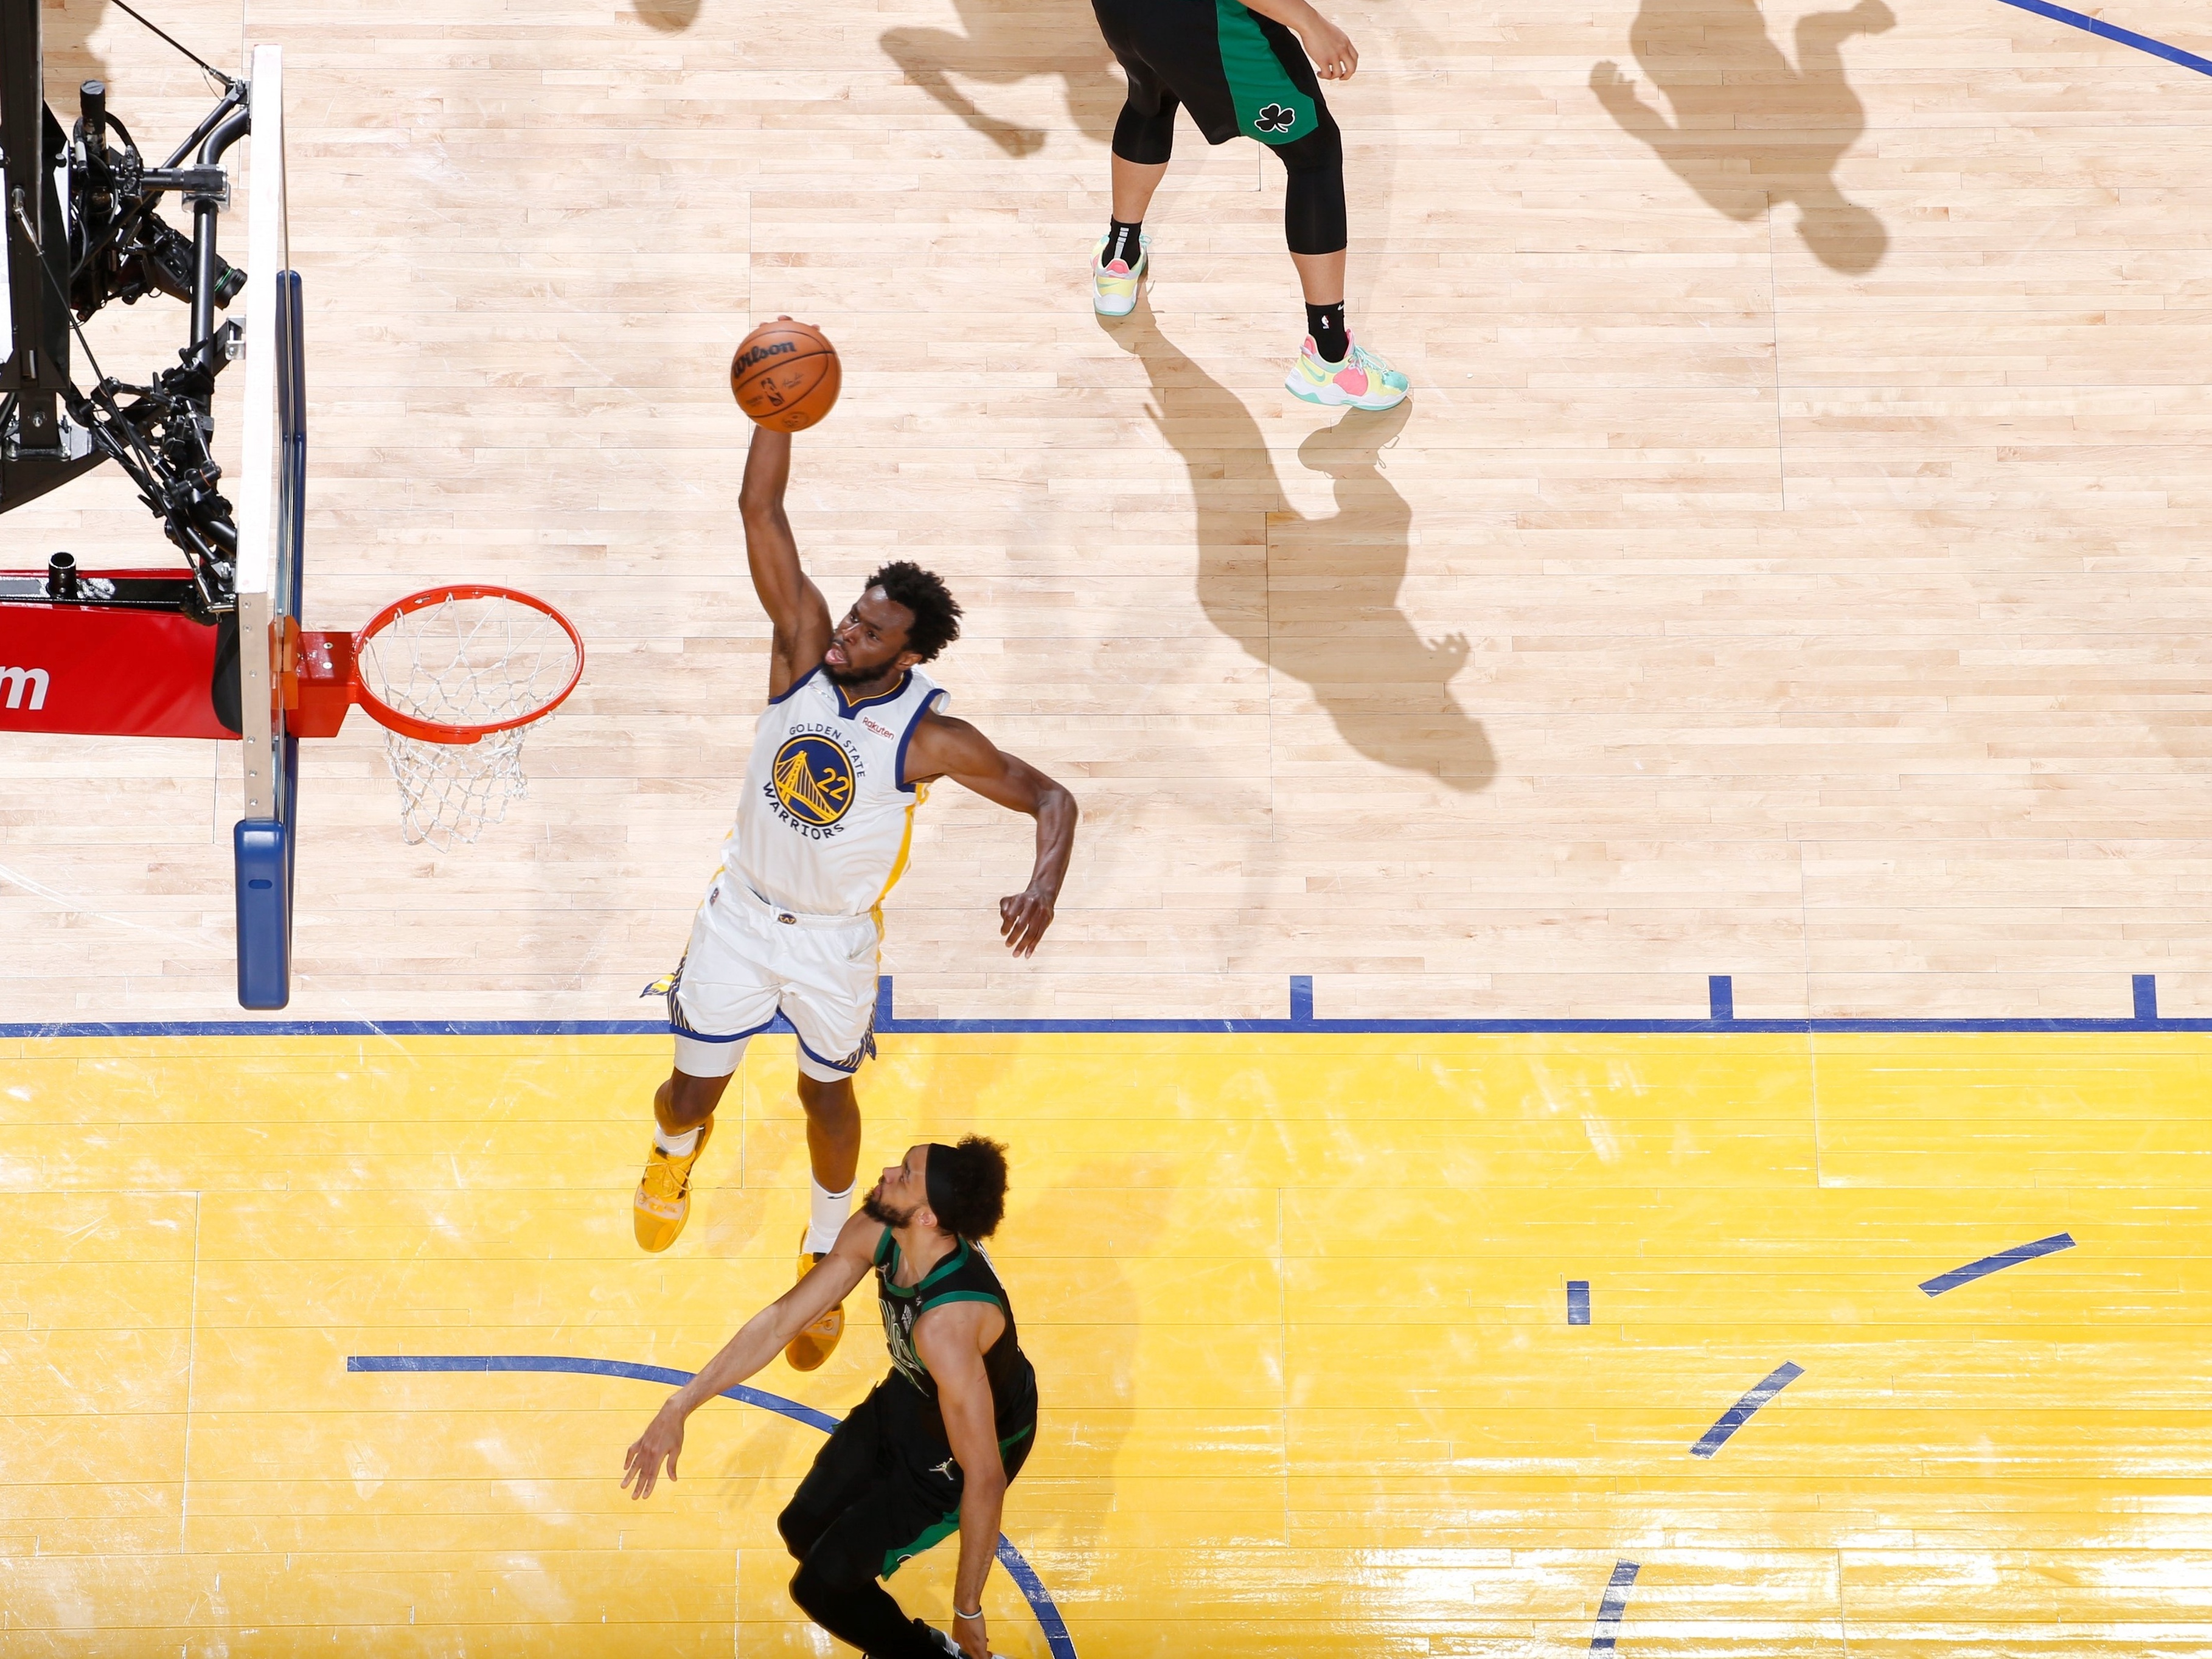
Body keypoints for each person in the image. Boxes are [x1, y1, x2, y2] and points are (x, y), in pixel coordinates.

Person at [635, 410, 1078, 1381]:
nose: (848, 631)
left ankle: (825, 1241)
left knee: (825, 1094)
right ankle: (672, 1153)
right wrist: (769, 413)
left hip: (833, 943)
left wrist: (1041, 883)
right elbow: (760, 505)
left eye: (873, 629)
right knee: (690, 1089)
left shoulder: (931, 737)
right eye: (853, 614)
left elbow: (1052, 795)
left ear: (910, 654)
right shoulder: (800, 648)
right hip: (740, 918)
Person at [623, 1137, 1038, 1659]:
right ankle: (908, 1643)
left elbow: (986, 1476)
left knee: (819, 1587)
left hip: (961, 1456)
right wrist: (679, 1405)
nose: (888, 1170)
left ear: (929, 1218)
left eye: (906, 1173)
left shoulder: (947, 1326)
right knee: (801, 1527)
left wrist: (968, 1608)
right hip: (911, 1397)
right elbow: (781, 1322)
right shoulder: (881, 1227)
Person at [1086, 0, 1409, 412]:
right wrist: (1310, 23)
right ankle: (1329, 358)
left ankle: (1118, 258)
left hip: (1124, 13)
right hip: (1200, 19)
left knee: (1150, 100)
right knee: (1314, 155)